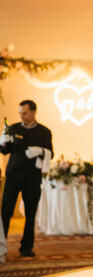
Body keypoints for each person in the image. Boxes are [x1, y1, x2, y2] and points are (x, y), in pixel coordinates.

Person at [0, 100, 53, 257]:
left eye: (25, 113)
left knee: (30, 213)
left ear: (33, 112)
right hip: (13, 176)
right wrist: (3, 142)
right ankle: (1, 246)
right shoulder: (13, 128)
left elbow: (50, 153)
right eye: (20, 113)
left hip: (32, 178)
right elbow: (5, 151)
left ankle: (26, 247)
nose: (22, 116)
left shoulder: (44, 132)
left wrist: (40, 151)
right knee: (5, 211)